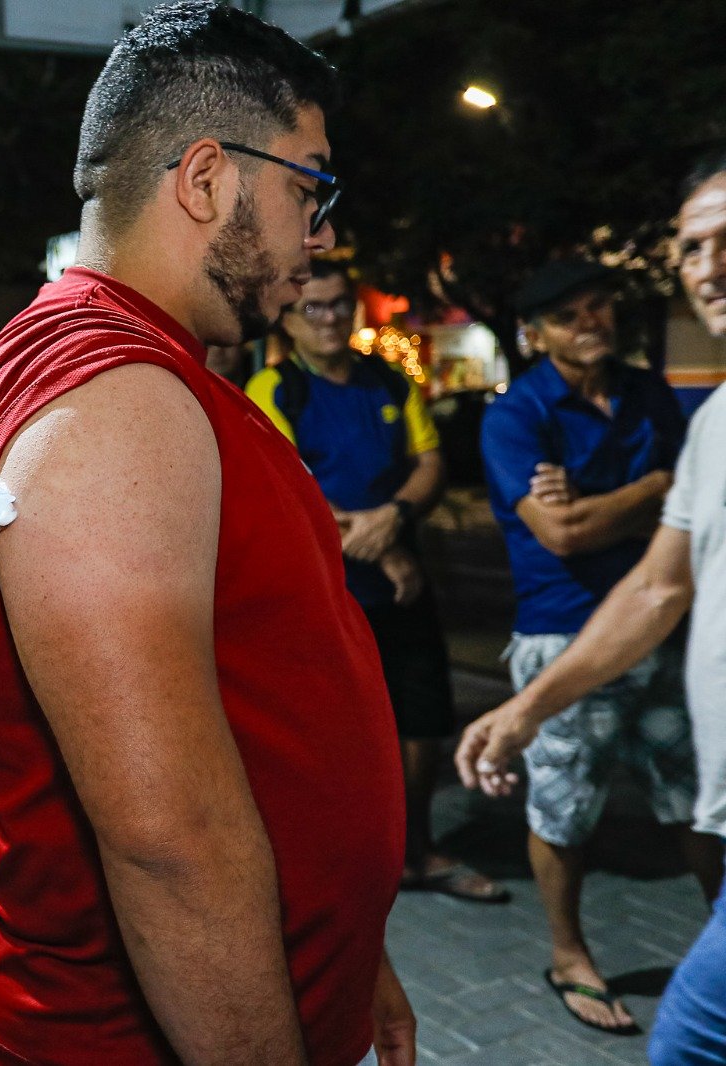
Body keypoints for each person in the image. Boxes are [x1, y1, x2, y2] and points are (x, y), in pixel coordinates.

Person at [0, 4, 411, 1064]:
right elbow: (167, 841)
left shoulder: (121, 370)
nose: (321, 232)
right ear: (206, 179)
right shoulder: (114, 399)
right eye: (309, 186)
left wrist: (353, 943)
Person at [458, 152, 726, 1061]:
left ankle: (711, 935)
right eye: (571, 317)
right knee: (563, 806)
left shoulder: (657, 394)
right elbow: (562, 538)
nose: (593, 324)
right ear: (537, 334)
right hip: (563, 629)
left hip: (663, 628)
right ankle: (570, 956)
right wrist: (658, 487)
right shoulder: (514, 415)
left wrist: (634, 490)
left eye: (601, 308)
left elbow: (666, 516)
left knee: (694, 797)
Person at [247, 259, 506, 904]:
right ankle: (351, 860)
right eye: (314, 307)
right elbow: (291, 490)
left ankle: (416, 850)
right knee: (334, 735)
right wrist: (376, 550)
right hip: (324, 591)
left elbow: (429, 464)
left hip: (402, 582)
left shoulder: (390, 382)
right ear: (287, 318)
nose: (331, 318)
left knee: (421, 717)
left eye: (341, 305)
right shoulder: (273, 390)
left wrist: (392, 523)